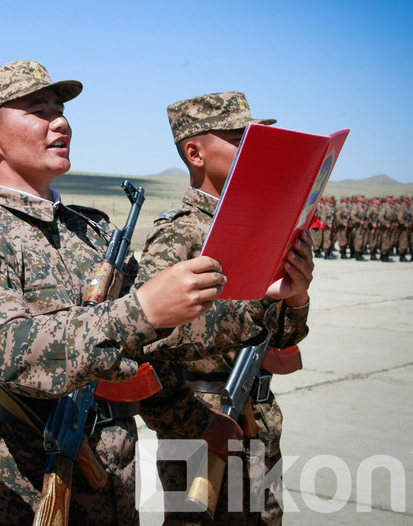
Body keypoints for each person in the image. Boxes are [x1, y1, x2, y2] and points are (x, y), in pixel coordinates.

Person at [0, 60, 232, 524]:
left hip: (115, 484)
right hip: (27, 485)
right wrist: (137, 311)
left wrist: (272, 303)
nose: (60, 121)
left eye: (60, 110)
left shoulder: (93, 230)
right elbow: (7, 351)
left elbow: (157, 344)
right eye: (38, 111)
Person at [136, 91, 314, 525]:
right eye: (239, 138)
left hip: (259, 421)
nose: (252, 148)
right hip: (203, 423)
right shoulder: (177, 236)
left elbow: (282, 338)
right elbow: (151, 343)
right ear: (195, 152)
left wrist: (298, 298)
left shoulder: (262, 227)